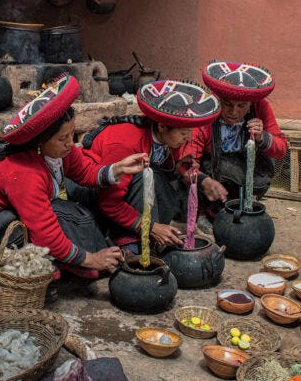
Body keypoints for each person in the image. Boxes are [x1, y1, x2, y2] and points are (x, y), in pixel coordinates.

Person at [0, 73, 148, 300]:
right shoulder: (24, 172)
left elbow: (85, 173)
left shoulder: (59, 152)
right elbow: (46, 235)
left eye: (72, 134)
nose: (69, 143)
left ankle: (67, 264)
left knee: (71, 210)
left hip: (3, 217)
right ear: (39, 142)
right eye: (62, 138)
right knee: (43, 221)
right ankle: (36, 277)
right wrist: (91, 258)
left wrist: (117, 169)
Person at [82, 80, 221, 254]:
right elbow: (109, 202)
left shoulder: (168, 138)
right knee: (146, 174)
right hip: (94, 192)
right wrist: (151, 227)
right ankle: (129, 242)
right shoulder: (126, 144)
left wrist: (191, 173)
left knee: (160, 181)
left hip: (125, 191)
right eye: (184, 133)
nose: (189, 137)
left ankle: (147, 239)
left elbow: (172, 167)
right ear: (162, 126)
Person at [186, 60, 288, 230]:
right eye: (227, 104)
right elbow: (186, 161)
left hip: (245, 172)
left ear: (250, 104)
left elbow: (281, 149)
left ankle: (241, 204)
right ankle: (205, 212)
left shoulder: (261, 106)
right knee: (224, 170)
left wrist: (262, 137)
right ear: (219, 100)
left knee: (264, 166)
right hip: (214, 172)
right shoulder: (208, 109)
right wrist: (204, 181)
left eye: (241, 106)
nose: (233, 112)